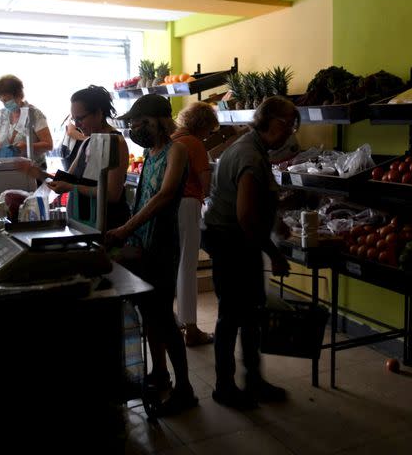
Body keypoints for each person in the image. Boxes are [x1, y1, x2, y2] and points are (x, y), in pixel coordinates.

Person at [105, 94, 197, 416]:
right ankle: (160, 374)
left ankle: (185, 389)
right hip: (143, 245)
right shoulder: (149, 152)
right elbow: (142, 195)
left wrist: (125, 229)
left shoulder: (178, 150)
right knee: (150, 315)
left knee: (164, 319)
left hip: (162, 246)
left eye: (139, 123)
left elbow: (164, 196)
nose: (134, 129)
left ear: (158, 121)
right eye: (131, 124)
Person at [202, 96, 296, 409]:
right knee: (232, 316)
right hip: (232, 242)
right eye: (289, 125)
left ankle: (253, 380)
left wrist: (276, 220)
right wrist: (274, 252)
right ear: (273, 122)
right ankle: (225, 387)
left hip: (235, 239)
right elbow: (245, 215)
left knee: (250, 313)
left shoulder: (251, 147)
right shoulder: (250, 156)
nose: (290, 133)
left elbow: (256, 199)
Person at [43, 85, 130, 231]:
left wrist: (71, 187)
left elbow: (112, 195)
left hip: (108, 225)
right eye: (74, 119)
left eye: (81, 118)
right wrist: (36, 173)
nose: (76, 125)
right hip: (83, 224)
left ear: (98, 113)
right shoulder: (87, 142)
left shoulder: (116, 143)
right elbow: (66, 180)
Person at [171, 101, 219, 347]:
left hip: (168, 206)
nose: (209, 134)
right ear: (202, 126)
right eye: (210, 130)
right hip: (188, 204)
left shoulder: (172, 138)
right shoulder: (193, 143)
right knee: (187, 267)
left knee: (175, 264)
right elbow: (206, 183)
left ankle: (176, 322)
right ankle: (191, 329)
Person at [0, 74, 53, 168]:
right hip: (8, 166)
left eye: (7, 100)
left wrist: (27, 147)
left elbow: (49, 145)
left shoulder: (34, 114)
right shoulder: (2, 114)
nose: (5, 104)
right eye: (2, 101)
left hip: (33, 169)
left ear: (19, 95)